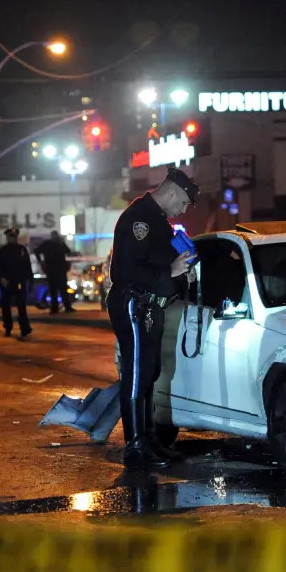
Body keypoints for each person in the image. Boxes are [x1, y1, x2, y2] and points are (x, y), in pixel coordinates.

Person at [107, 166, 198, 469]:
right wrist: (168, 272)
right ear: (172, 192)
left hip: (150, 307)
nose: (183, 209)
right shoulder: (139, 219)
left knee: (149, 373)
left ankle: (148, 441)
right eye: (184, 202)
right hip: (134, 304)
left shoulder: (158, 220)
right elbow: (123, 271)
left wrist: (182, 267)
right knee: (136, 376)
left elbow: (160, 260)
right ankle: (135, 448)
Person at [0, 227, 33, 338]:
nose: (13, 238)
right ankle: (8, 327)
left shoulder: (21, 250)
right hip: (6, 282)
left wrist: (30, 281)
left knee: (21, 305)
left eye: (14, 236)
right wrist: (1, 278)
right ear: (7, 237)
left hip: (19, 281)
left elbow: (27, 266)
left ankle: (25, 328)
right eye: (11, 236)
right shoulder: (3, 251)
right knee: (6, 306)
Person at [34, 230, 76, 314]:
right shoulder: (48, 244)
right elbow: (36, 251)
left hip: (58, 270)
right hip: (52, 270)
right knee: (56, 290)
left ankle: (63, 307)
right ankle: (57, 308)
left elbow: (68, 252)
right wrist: (41, 262)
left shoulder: (59, 244)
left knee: (61, 290)